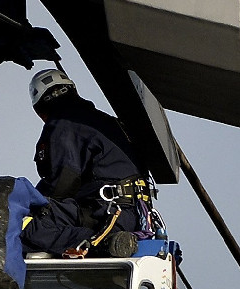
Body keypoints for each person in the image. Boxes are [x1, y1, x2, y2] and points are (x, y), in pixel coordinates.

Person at [20, 68, 147, 259]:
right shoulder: (103, 121)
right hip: (131, 213)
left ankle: (103, 243)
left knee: (29, 228)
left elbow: (63, 183)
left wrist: (31, 204)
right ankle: (105, 241)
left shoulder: (64, 123)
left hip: (106, 215)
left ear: (40, 109)